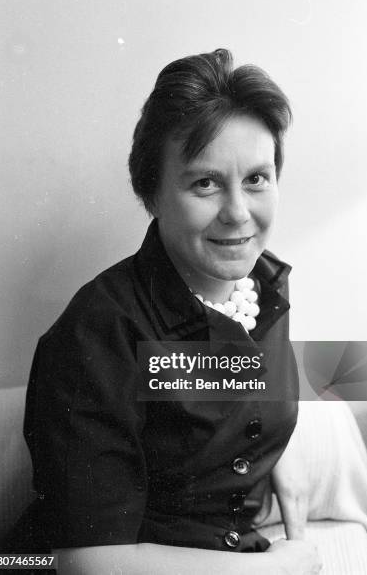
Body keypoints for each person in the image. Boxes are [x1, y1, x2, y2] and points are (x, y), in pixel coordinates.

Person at [16, 49, 322, 574]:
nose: (238, 213)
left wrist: (280, 459)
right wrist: (279, 570)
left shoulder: (264, 291)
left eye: (256, 178)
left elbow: (233, 396)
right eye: (205, 183)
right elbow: (87, 562)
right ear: (151, 192)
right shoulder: (99, 331)